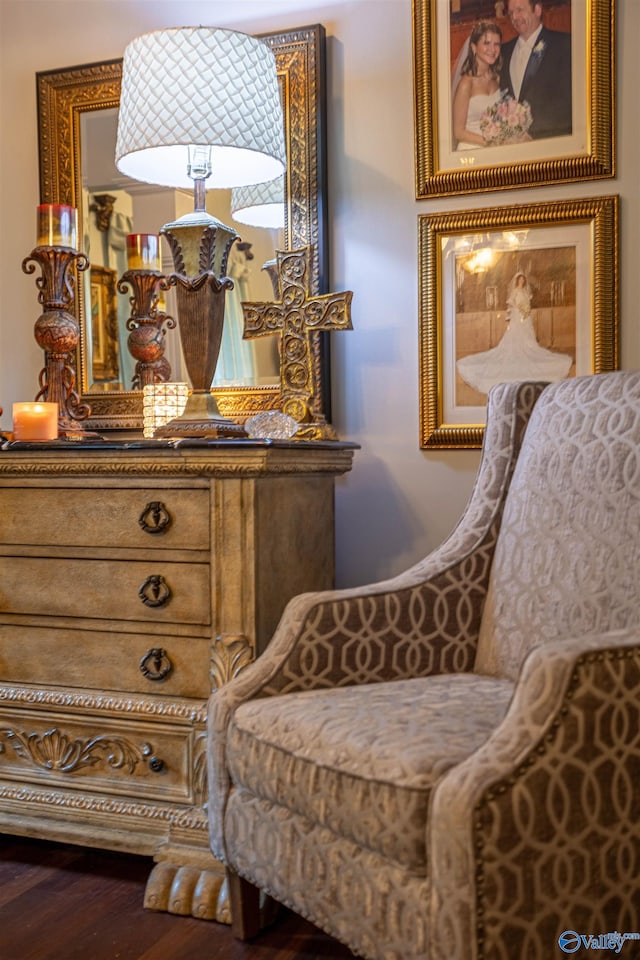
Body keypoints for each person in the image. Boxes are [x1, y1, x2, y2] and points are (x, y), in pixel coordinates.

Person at [456, 270, 573, 396]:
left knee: (527, 337)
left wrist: (526, 311)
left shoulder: (525, 292)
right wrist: (519, 309)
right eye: (520, 280)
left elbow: (527, 304)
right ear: (517, 281)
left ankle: (527, 347)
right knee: (515, 336)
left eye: (523, 280)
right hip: (518, 316)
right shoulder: (516, 291)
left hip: (525, 316)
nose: (522, 282)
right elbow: (512, 303)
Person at [499, 0, 572, 140]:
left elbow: (567, 100)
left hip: (548, 141)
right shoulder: (504, 51)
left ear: (537, 10)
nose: (514, 17)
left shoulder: (563, 44)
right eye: (511, 13)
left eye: (520, 10)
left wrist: (533, 133)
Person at [452, 21, 503, 150]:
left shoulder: (496, 78)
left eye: (496, 44)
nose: (493, 49)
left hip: (495, 149)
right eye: (487, 43)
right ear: (474, 47)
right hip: (471, 150)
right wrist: (489, 142)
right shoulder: (466, 84)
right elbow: (458, 132)